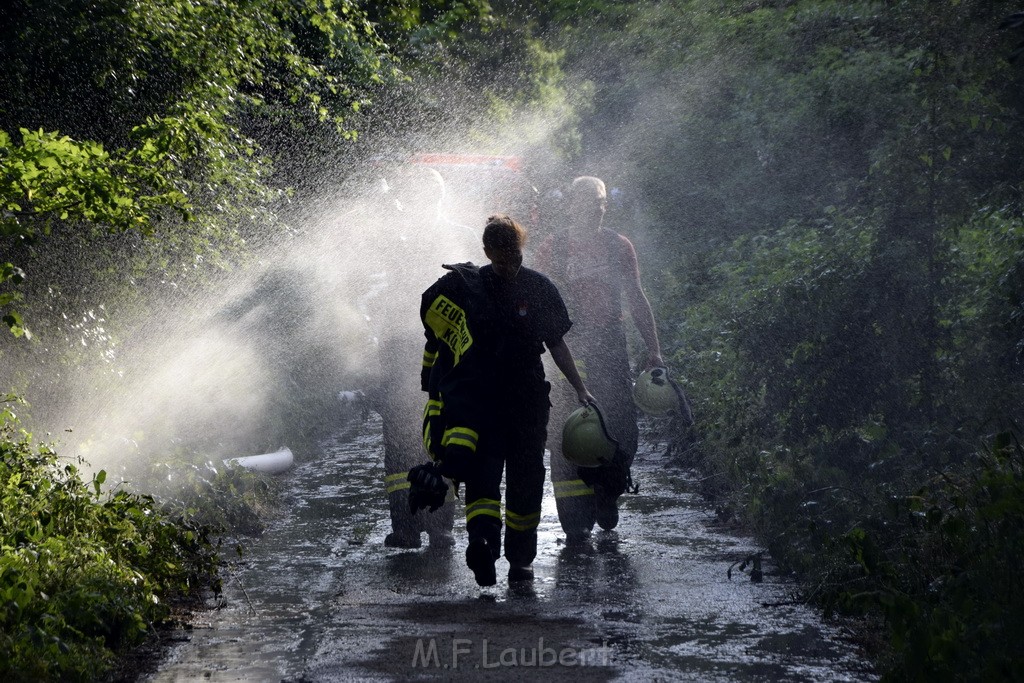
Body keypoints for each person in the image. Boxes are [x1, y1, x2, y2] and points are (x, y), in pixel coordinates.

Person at [412, 214, 594, 586]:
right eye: (503, 255)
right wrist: (578, 387)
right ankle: (505, 554)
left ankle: (499, 550)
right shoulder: (506, 287)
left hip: (500, 403)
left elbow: (555, 344)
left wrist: (579, 386)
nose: (507, 262)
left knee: (499, 478)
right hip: (510, 402)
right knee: (509, 478)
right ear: (497, 249)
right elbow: (555, 344)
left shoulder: (489, 287)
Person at [536, 175, 664, 542]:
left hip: (609, 341)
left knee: (621, 425)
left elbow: (636, 297)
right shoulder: (553, 248)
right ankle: (574, 520)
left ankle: (608, 489)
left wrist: (653, 349)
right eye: (589, 201)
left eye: (601, 201)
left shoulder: (617, 246)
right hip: (567, 346)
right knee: (566, 428)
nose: (596, 207)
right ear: (572, 204)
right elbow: (540, 300)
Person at [368, 165, 479, 549]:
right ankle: (406, 525)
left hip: (445, 347)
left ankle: (440, 524)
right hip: (401, 345)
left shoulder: (458, 237)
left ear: (441, 196)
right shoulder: (390, 239)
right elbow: (376, 291)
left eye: (430, 193)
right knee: (400, 438)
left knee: (444, 434)